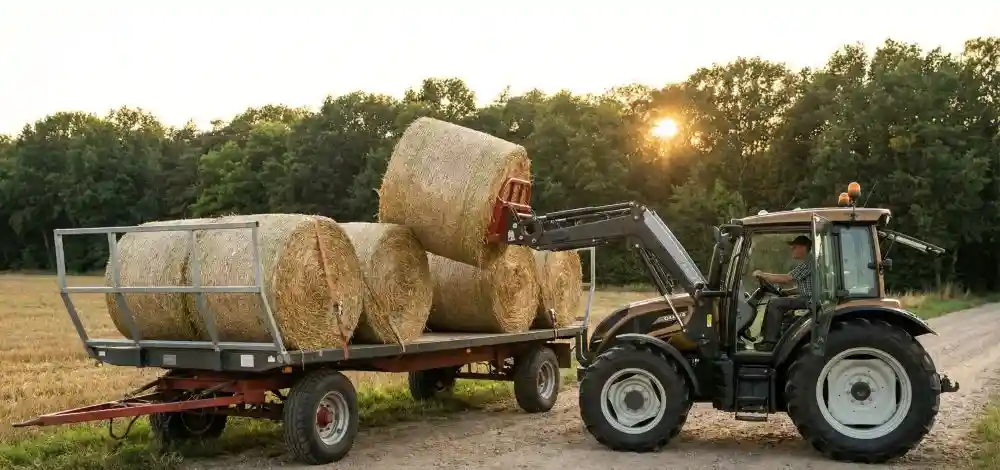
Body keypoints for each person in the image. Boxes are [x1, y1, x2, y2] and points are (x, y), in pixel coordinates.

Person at [750, 235, 813, 352]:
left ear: (803, 248)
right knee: (778, 301)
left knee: (775, 303)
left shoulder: (808, 263)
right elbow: (808, 286)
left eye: (794, 247)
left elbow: (786, 278)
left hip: (809, 300)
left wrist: (762, 274)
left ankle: (770, 342)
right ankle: (770, 337)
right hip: (807, 297)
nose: (791, 249)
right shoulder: (809, 262)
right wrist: (787, 292)